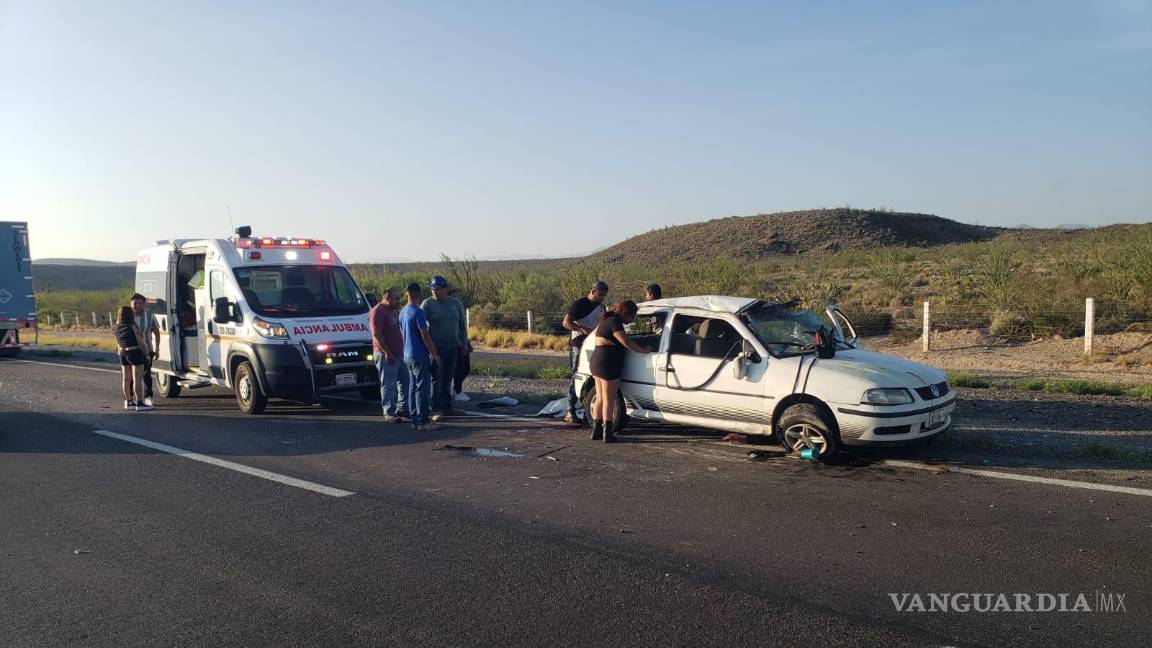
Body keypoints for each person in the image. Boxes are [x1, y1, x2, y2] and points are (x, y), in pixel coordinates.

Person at [589, 301, 651, 442]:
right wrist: (644, 350)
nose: (632, 320)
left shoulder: (607, 320)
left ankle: (596, 430)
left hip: (597, 360)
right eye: (632, 316)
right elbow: (625, 342)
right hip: (608, 362)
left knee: (600, 397)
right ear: (624, 312)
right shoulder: (615, 322)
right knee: (609, 399)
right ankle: (607, 433)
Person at [421, 275, 468, 420]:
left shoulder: (455, 303)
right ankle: (436, 407)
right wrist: (429, 348)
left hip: (453, 346)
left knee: (448, 377)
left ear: (445, 289)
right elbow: (421, 326)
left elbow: (462, 325)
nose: (435, 292)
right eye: (433, 289)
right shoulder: (427, 304)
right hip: (437, 348)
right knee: (437, 378)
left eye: (438, 289)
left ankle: (447, 406)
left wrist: (464, 343)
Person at [561, 281, 608, 424]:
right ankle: (570, 410)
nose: (602, 298)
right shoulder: (579, 304)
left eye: (604, 295)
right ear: (593, 291)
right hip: (578, 345)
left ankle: (587, 407)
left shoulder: (601, 307)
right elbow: (566, 323)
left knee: (593, 375)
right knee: (576, 375)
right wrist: (582, 329)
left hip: (594, 344)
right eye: (600, 294)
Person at [400, 282, 441, 431]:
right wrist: (434, 353)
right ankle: (423, 421)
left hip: (407, 354)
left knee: (412, 387)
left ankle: (415, 419)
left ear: (407, 294)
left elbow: (403, 332)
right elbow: (424, 334)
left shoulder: (403, 311)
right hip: (419, 354)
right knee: (422, 388)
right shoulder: (418, 312)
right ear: (419, 294)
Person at [370, 287, 409, 423]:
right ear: (387, 298)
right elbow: (376, 334)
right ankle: (389, 412)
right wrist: (387, 352)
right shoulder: (377, 311)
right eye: (396, 298)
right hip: (386, 354)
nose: (399, 301)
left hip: (399, 354)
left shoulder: (392, 311)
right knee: (388, 384)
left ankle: (403, 408)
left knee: (405, 381)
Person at [114, 305, 152, 412]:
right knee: (137, 379)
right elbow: (141, 342)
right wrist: (146, 355)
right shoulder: (133, 326)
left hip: (123, 353)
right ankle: (140, 403)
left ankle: (129, 401)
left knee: (126, 379)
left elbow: (118, 342)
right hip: (135, 352)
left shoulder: (116, 327)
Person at [130, 293, 160, 407]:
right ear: (131, 304)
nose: (137, 305)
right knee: (132, 376)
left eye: (140, 303)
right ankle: (131, 398)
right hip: (132, 350)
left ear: (144, 304)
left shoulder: (149, 315)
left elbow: (156, 332)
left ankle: (148, 397)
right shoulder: (127, 316)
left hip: (147, 350)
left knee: (146, 374)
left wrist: (157, 348)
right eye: (135, 303)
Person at [448, 288, 472, 402]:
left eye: (457, 296)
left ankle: (455, 388)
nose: (457, 298)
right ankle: (458, 391)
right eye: (454, 296)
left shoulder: (459, 309)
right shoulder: (448, 311)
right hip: (455, 342)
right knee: (459, 368)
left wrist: (466, 342)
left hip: (463, 341)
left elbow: (462, 327)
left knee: (466, 368)